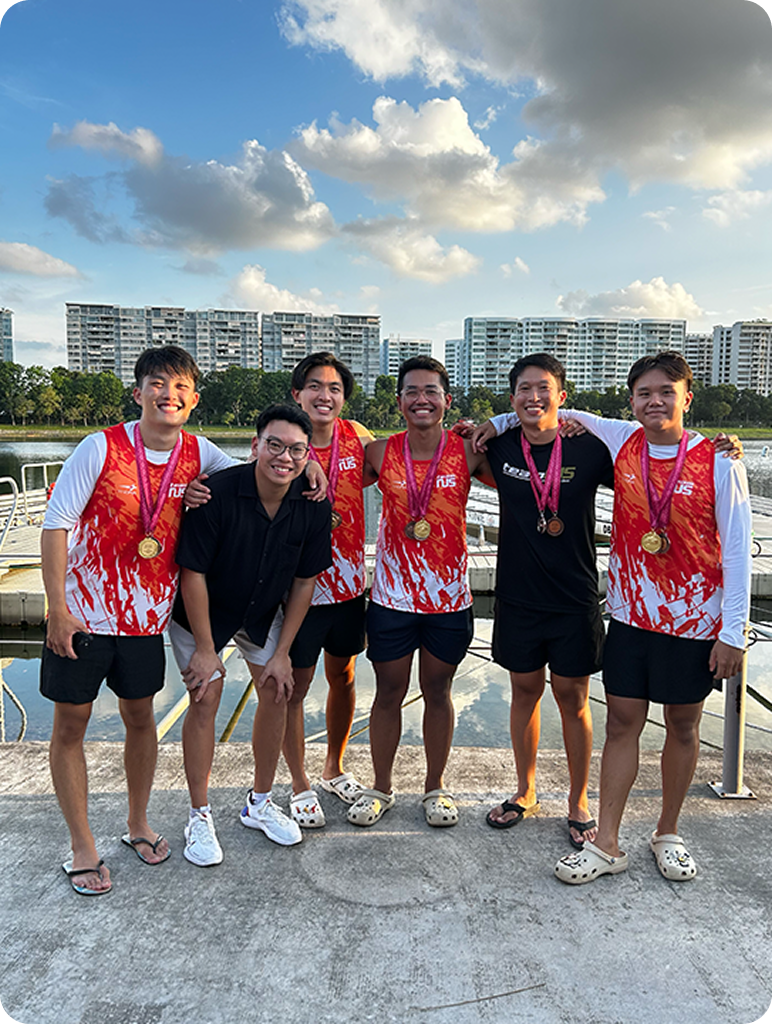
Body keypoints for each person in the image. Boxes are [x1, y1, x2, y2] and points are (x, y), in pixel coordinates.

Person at [480, 351, 751, 883]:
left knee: (683, 724)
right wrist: (492, 422)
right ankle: (606, 842)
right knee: (622, 724)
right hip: (628, 616)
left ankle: (667, 831)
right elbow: (536, 411)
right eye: (644, 394)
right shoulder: (620, 437)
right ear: (631, 401)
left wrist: (733, 631)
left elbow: (739, 549)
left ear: (686, 399)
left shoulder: (720, 460)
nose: (654, 402)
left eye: (665, 393)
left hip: (695, 621)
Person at [41, 345, 233, 895]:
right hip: (85, 616)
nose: (167, 395)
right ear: (138, 391)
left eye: (179, 387)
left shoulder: (201, 453)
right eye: (157, 383)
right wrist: (58, 609)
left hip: (145, 621)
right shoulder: (100, 447)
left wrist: (309, 463)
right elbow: (56, 526)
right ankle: (82, 845)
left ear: (194, 400)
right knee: (71, 725)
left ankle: (137, 823)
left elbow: (256, 474)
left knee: (141, 719)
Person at [170, 404, 332, 864]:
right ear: (255, 446)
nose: (285, 457)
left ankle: (259, 802)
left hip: (261, 610)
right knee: (206, 694)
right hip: (204, 611)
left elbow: (305, 581)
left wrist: (282, 652)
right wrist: (205, 648)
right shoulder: (215, 492)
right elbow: (193, 573)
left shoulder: (313, 501)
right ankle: (198, 814)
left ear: (308, 453)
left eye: (297, 449)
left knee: (279, 689)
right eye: (275, 445)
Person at [472, 354, 614, 848]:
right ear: (512, 401)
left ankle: (578, 799)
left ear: (562, 396)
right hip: (517, 599)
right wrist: (491, 424)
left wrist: (718, 451)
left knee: (573, 700)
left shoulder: (590, 448)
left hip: (574, 597)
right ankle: (526, 790)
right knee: (524, 693)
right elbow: (459, 442)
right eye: (524, 390)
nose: (534, 398)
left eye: (544, 388)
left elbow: (649, 450)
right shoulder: (501, 444)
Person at [346, 356, 493, 829]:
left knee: (438, 691)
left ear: (447, 401)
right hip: (391, 597)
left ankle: (435, 787)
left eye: (431, 391)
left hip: (449, 600)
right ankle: (381, 787)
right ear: (400, 402)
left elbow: (529, 470)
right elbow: (329, 473)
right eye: (412, 391)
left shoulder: (469, 451)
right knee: (388, 692)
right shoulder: (378, 453)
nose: (421, 399)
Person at [282, 352, 375, 828]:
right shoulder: (283, 444)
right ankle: (298, 782)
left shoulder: (359, 438)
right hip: (298, 591)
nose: (325, 395)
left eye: (334, 388)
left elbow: (403, 462)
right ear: (297, 394)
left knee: (343, 677)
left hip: (348, 586)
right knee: (293, 689)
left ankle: (333, 767)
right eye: (314, 386)